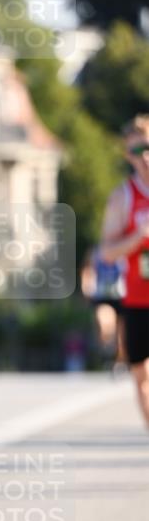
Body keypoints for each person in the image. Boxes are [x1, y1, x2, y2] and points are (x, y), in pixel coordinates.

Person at [100, 115, 149, 429]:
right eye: (137, 150)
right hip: (138, 298)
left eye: (148, 147)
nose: (144, 156)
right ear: (127, 155)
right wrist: (138, 237)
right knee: (141, 376)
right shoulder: (123, 197)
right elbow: (107, 251)